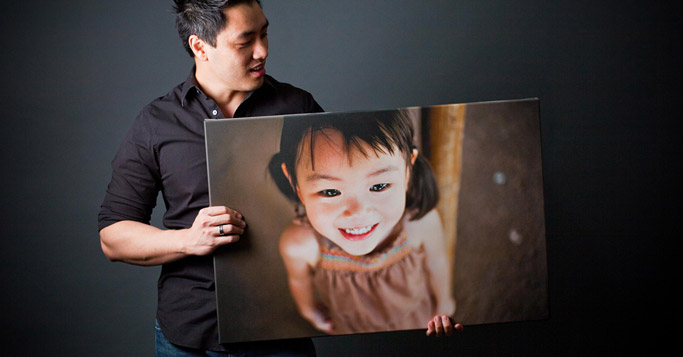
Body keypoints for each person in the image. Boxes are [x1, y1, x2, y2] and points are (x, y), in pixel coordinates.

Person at [98, 0, 323, 354]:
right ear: (200, 47)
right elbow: (113, 237)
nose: (262, 51)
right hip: (189, 337)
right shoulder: (158, 122)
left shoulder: (299, 108)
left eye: (264, 34)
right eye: (245, 41)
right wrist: (188, 240)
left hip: (282, 335)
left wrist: (427, 299)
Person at [268, 110, 463, 337]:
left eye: (379, 186)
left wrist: (444, 303)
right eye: (330, 191)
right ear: (294, 182)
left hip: (417, 323)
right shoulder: (300, 245)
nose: (358, 212)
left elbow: (437, 263)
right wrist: (309, 309)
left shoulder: (419, 224)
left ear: (408, 171)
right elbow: (299, 281)